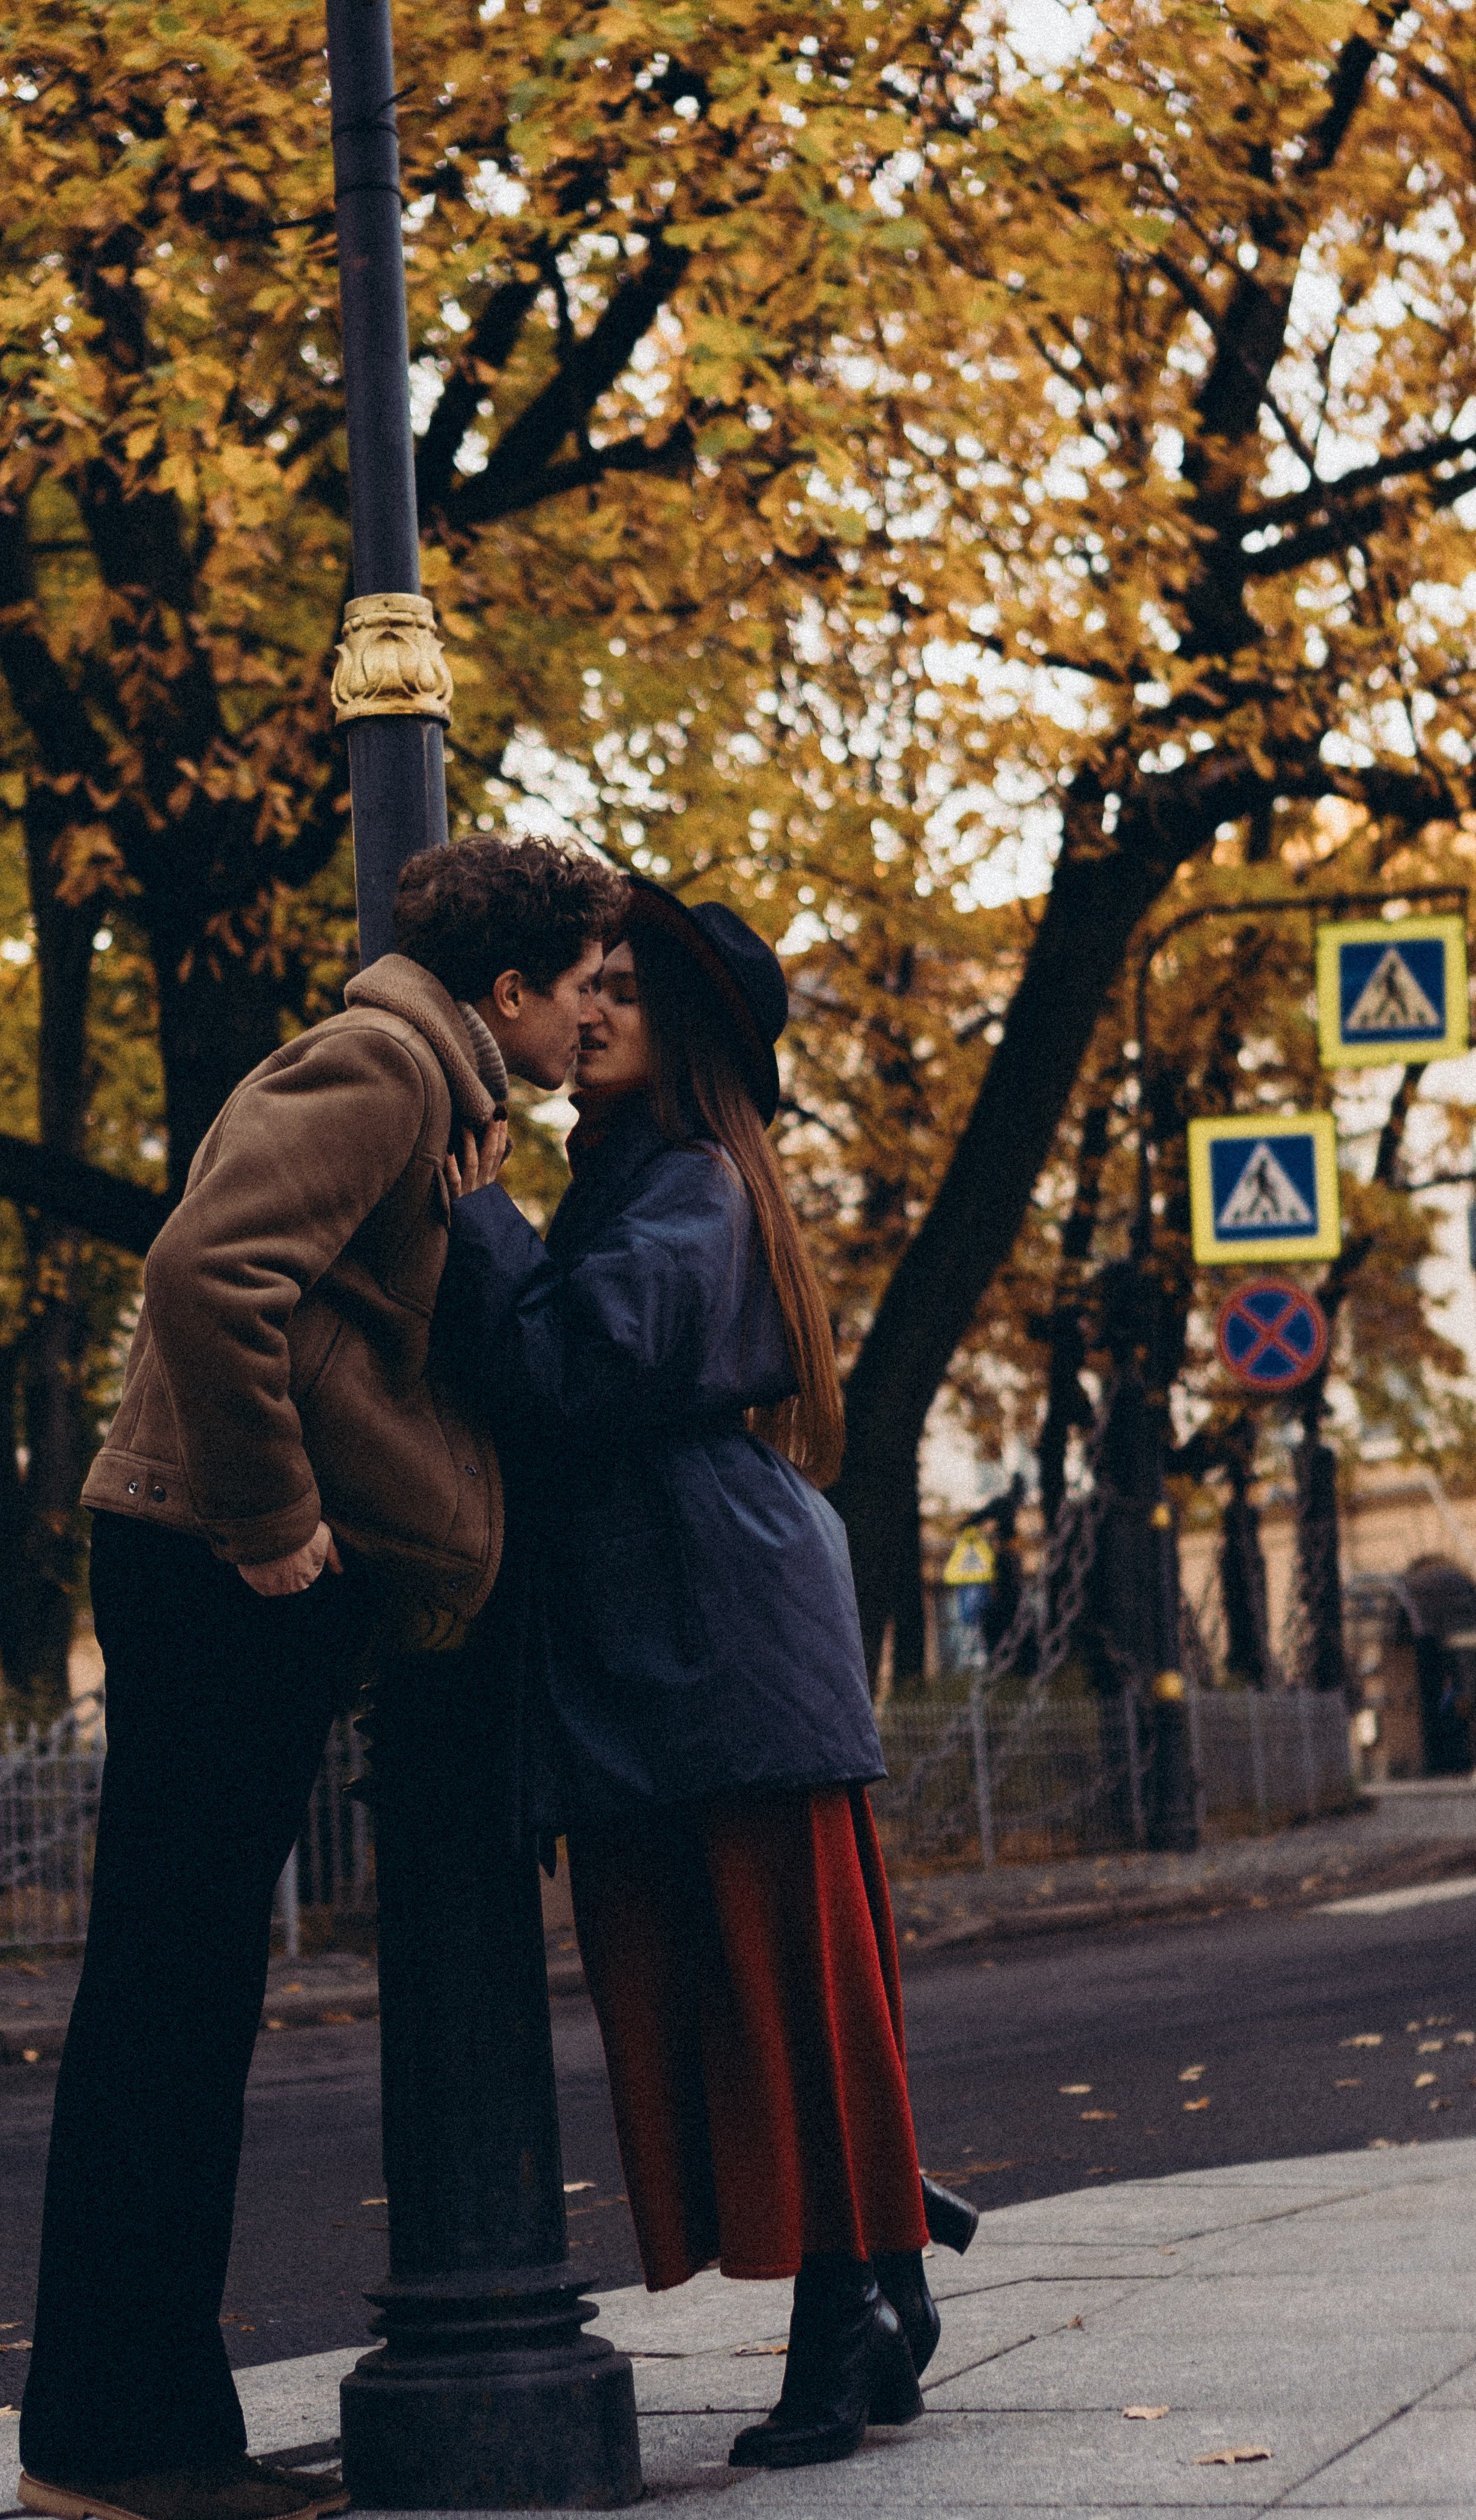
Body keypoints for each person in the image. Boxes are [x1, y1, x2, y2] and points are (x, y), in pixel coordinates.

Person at [17, 836, 627, 2520]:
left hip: (214, 1565)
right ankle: (118, 2445)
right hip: (216, 1567)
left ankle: (123, 2429)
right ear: (506, 988)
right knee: (168, 1999)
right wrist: (275, 1523)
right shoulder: (380, 1066)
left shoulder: (428, 1085)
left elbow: (330, 1318)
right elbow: (206, 1275)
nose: (593, 1018)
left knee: (175, 1995)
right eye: (581, 987)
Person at [440, 879, 971, 2476]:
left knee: (775, 1993)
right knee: (719, 1990)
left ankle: (852, 2309)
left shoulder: (688, 1186)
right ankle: (876, 2270)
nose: (582, 1008)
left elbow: (555, 1368)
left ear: (686, 1038)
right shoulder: (633, 1179)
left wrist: (474, 1210)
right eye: (581, 984)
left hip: (716, 1631)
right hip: (672, 1631)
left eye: (619, 989)